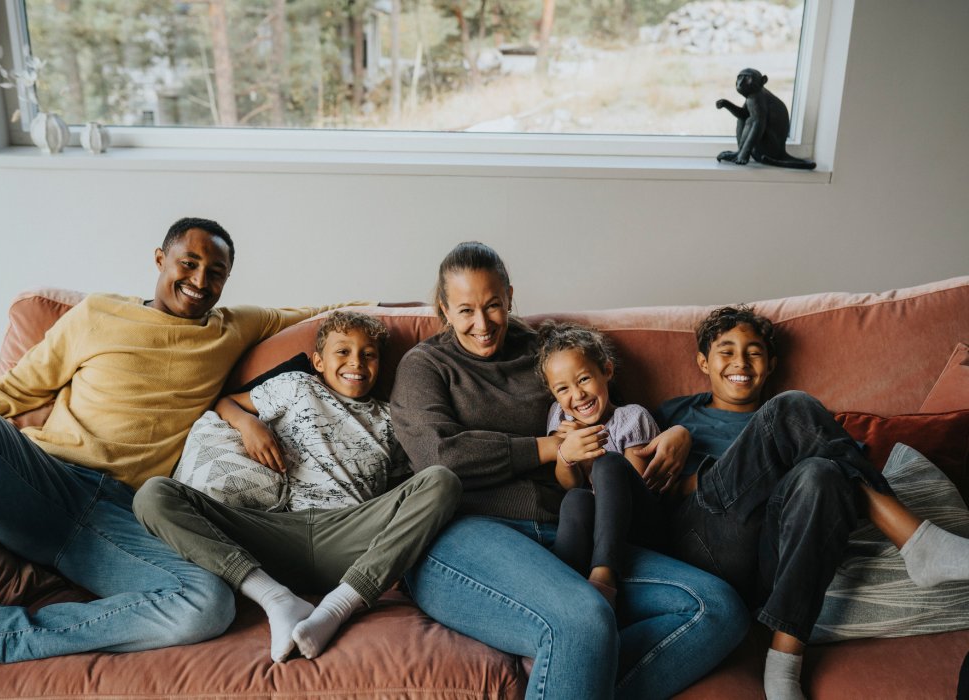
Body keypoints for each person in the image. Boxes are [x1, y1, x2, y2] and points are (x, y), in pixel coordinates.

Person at [0, 217, 358, 666]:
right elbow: (11, 391)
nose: (199, 280)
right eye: (188, 264)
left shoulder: (233, 327)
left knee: (207, 604)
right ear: (160, 259)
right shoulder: (97, 314)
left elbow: (327, 313)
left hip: (123, 515)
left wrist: (423, 310)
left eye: (215, 273)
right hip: (45, 478)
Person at [389, 241, 750, 700]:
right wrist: (546, 447)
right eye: (465, 310)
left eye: (494, 305)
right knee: (584, 619)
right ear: (443, 308)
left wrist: (679, 431)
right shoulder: (426, 365)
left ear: (510, 296)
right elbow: (439, 456)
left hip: (570, 530)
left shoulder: (545, 347)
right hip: (464, 533)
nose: (482, 325)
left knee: (717, 608)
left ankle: (563, 681)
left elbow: (613, 411)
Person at [655, 304, 969, 700]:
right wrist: (681, 435)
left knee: (825, 472)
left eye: (753, 352)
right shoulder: (676, 414)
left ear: (770, 364)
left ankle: (783, 664)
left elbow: (844, 489)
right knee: (790, 407)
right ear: (703, 361)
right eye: (726, 350)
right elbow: (649, 491)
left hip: (773, 563)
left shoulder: (809, 426)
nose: (741, 361)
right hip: (706, 545)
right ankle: (920, 543)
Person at [134, 310, 461, 663]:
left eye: (369, 354)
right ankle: (276, 598)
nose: (356, 362)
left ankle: (339, 606)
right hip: (276, 533)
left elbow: (405, 488)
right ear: (318, 361)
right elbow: (226, 402)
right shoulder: (295, 385)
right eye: (343, 352)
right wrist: (249, 425)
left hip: (351, 537)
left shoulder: (389, 419)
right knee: (154, 494)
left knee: (442, 480)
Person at [535, 320, 666, 607]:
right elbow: (568, 483)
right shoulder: (560, 418)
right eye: (563, 389)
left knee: (609, 466)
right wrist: (566, 454)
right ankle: (561, 594)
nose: (577, 395)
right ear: (554, 395)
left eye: (583, 379)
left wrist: (599, 460)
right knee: (576, 499)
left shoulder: (632, 417)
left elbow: (637, 484)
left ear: (606, 371)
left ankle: (604, 576)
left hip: (640, 522)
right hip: (593, 525)